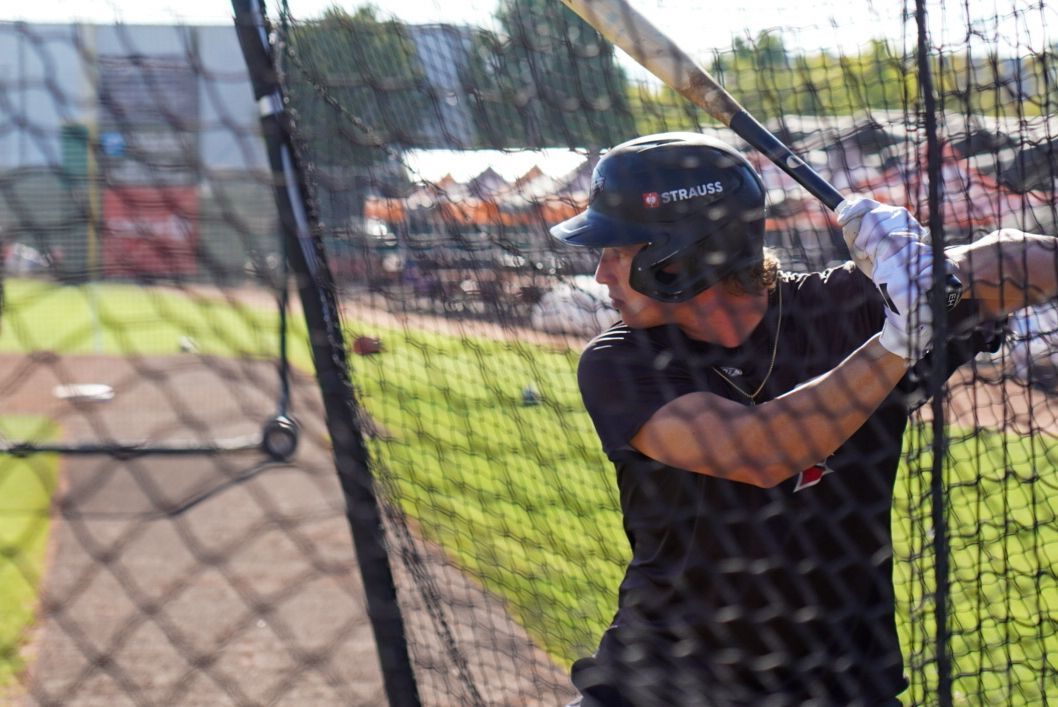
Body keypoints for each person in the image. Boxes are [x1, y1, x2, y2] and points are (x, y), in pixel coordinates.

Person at [549, 131, 1058, 706]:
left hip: (840, 688)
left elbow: (1025, 261)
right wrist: (899, 340)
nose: (601, 274)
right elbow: (762, 451)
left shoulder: (842, 308)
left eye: (618, 252)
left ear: (679, 257)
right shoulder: (620, 361)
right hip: (660, 686)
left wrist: (934, 267)